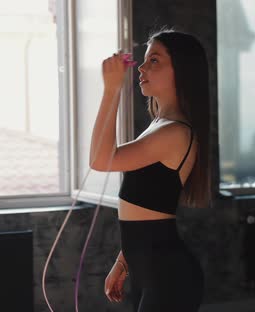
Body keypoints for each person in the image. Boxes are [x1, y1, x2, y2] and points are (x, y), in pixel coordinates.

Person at [89, 29, 211, 311]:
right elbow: (147, 207)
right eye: (143, 60)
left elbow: (101, 160)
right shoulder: (159, 125)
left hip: (170, 277)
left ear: (181, 71)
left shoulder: (175, 132)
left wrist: (111, 90)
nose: (142, 68)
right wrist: (124, 260)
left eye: (154, 60)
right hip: (150, 272)